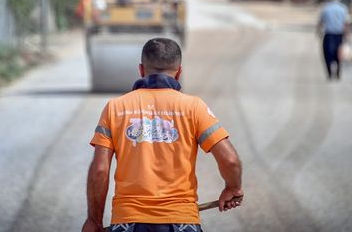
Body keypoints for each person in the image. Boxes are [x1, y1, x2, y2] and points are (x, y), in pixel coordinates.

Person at [82, 38, 243, 232]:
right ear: (179, 72)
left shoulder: (115, 108)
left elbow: (100, 170)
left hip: (128, 222)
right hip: (182, 221)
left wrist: (94, 220)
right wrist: (232, 188)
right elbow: (230, 161)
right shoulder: (193, 107)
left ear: (141, 70)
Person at [317, 0, 350, 80]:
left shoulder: (325, 8)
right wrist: (347, 34)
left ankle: (329, 73)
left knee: (327, 54)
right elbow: (346, 23)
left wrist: (318, 32)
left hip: (329, 34)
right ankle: (338, 71)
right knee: (339, 54)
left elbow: (321, 22)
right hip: (339, 34)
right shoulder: (343, 8)